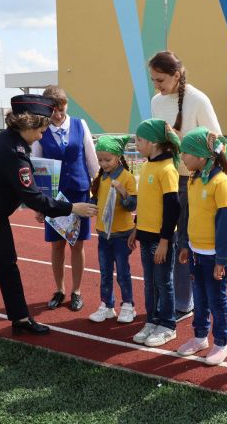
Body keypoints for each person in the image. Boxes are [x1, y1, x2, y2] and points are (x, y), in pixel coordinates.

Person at [0, 94, 97, 353]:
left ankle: (20, 319)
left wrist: (44, 203)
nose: (43, 135)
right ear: (29, 125)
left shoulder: (14, 142)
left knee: (8, 265)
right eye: (42, 129)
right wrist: (72, 207)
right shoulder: (12, 150)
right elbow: (31, 196)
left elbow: (27, 191)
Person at [148, 50, 223, 324]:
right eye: (153, 80)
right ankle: (163, 298)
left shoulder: (198, 100)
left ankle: (183, 302)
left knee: (183, 242)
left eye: (160, 80)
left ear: (176, 75)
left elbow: (218, 142)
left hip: (190, 181)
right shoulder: (157, 101)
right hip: (163, 178)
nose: (156, 85)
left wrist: (183, 142)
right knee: (160, 238)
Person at [31, 86, 99, 312]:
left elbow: (92, 160)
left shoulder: (80, 125)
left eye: (61, 110)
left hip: (79, 192)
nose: (58, 115)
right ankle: (59, 290)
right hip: (54, 197)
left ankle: (76, 291)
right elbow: (36, 166)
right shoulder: (41, 130)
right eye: (53, 111)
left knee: (77, 244)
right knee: (57, 245)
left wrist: (97, 190)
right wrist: (38, 204)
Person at [175, 128, 227, 366]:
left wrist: (221, 259)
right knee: (199, 298)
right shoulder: (193, 180)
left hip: (215, 257)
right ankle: (200, 337)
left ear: (201, 156)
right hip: (195, 252)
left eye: (186, 153)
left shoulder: (221, 183)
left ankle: (222, 343)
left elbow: (226, 225)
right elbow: (188, 215)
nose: (183, 158)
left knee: (216, 300)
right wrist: (184, 245)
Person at [128, 118, 180, 347]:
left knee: (163, 282)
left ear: (153, 142)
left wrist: (165, 241)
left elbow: (172, 207)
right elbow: (147, 203)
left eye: (139, 140)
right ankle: (152, 320)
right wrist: (136, 228)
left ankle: (167, 325)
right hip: (146, 235)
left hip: (161, 239)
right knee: (149, 282)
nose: (136, 143)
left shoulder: (167, 169)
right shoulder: (148, 165)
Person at [88, 135, 137, 324]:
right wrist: (90, 206)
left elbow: (131, 205)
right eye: (100, 160)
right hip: (103, 234)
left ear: (118, 157)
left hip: (121, 235)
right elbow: (96, 199)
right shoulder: (101, 177)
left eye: (107, 160)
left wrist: (123, 191)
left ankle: (128, 305)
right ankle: (107, 305)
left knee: (123, 272)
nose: (103, 163)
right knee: (105, 272)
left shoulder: (127, 177)